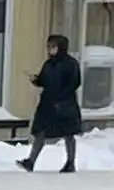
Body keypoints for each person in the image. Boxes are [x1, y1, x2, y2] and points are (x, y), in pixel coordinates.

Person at [20, 34, 82, 173]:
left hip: (65, 104)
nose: (50, 50)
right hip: (47, 104)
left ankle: (70, 162)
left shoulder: (70, 64)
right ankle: (31, 161)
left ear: (61, 47)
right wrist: (35, 80)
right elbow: (43, 80)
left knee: (68, 134)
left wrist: (61, 98)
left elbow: (74, 83)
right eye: (48, 47)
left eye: (53, 47)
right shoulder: (48, 64)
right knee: (40, 132)